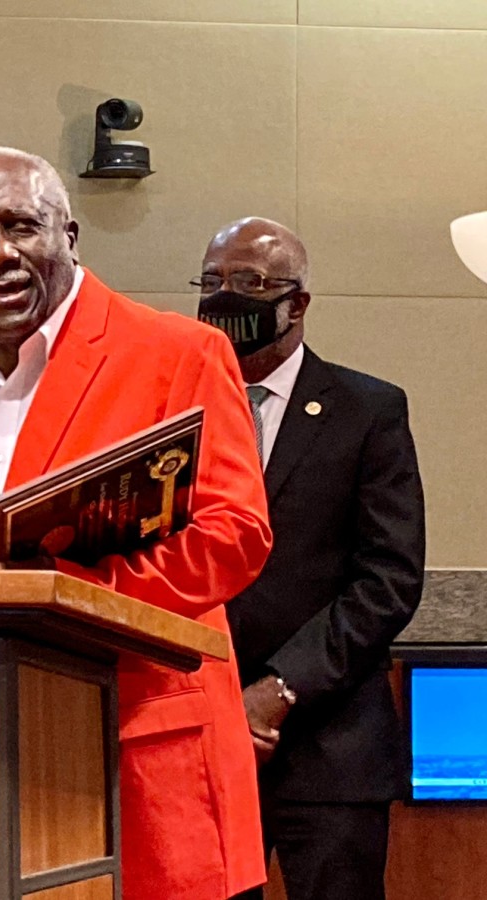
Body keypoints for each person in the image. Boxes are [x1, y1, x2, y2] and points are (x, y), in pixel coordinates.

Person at [0, 146, 271, 900]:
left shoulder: (179, 354)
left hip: (139, 754)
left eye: (22, 225)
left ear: (71, 235)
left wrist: (73, 593)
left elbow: (234, 534)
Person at [197, 217, 425, 900]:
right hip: (202, 740)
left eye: (251, 283)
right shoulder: (173, 408)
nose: (228, 297)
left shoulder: (368, 409)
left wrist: (276, 692)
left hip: (331, 751)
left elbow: (389, 579)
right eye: (213, 283)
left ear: (297, 303)